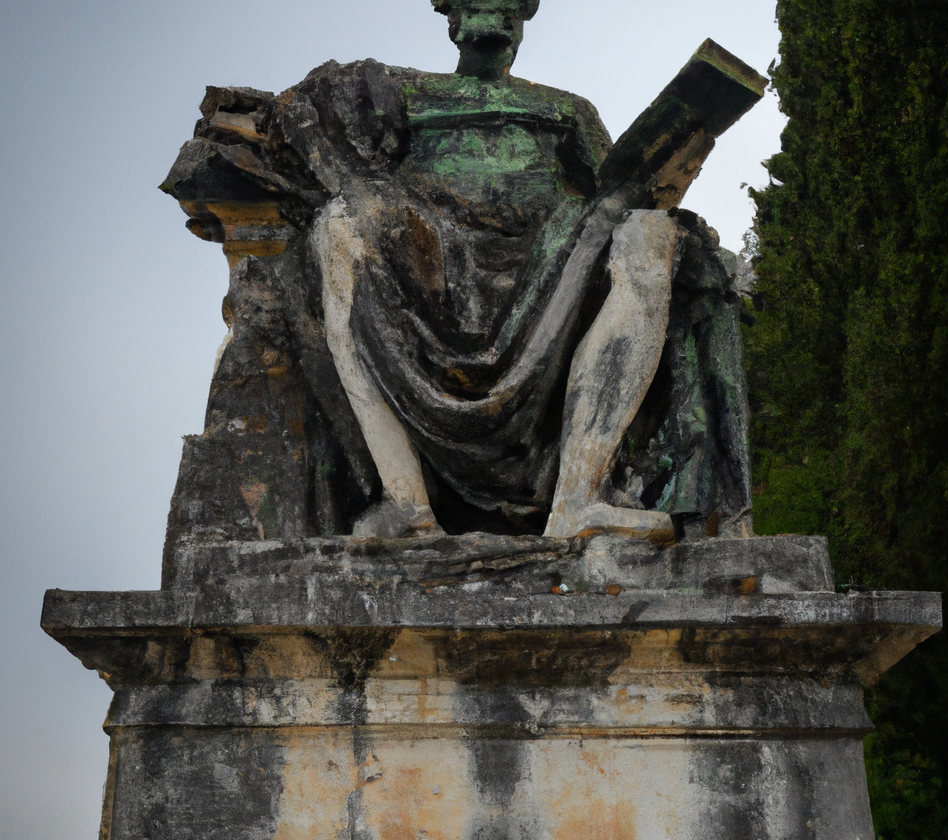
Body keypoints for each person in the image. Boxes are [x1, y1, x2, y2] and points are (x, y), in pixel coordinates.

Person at [161, 0, 755, 545]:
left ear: (524, 17)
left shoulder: (568, 110)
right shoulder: (406, 96)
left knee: (651, 235)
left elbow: (616, 188)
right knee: (339, 227)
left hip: (552, 264)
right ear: (451, 16)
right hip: (430, 263)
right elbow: (315, 123)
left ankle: (580, 497)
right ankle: (405, 502)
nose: (493, 13)